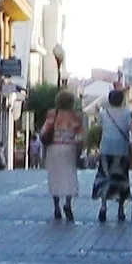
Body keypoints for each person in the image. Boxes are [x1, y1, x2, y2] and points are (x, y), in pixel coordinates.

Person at [94, 86, 132, 222]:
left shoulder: (104, 113)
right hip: (121, 149)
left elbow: (99, 128)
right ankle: (121, 209)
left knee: (105, 177)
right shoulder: (127, 113)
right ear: (122, 100)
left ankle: (103, 206)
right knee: (121, 178)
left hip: (106, 148)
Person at [40, 90, 83, 221]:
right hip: (69, 148)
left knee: (55, 177)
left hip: (54, 148)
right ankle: (68, 204)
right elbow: (80, 136)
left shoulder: (52, 114)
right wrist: (79, 149)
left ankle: (56, 207)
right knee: (69, 176)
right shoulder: (75, 117)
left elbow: (44, 132)